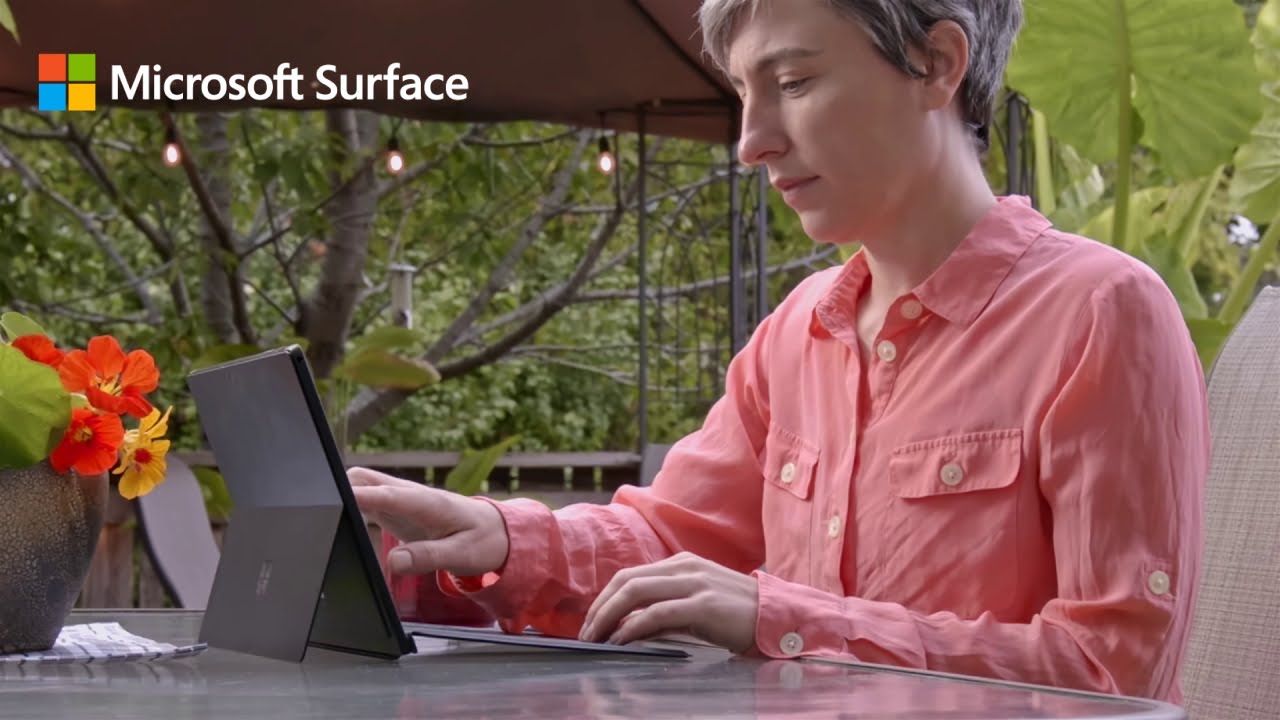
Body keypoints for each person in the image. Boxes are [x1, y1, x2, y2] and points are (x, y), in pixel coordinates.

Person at [351, 0, 1208, 704]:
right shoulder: (798, 333)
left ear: (938, 64)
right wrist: (499, 538)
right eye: (742, 93)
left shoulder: (1100, 313)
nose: (750, 141)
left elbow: (1114, 678)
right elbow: (664, 539)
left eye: (793, 83)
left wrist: (786, 620)